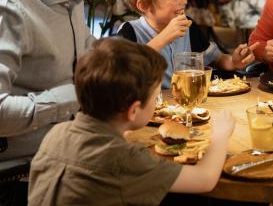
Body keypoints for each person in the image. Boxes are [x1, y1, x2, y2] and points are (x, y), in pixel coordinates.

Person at [0, 0, 147, 167]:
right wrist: (76, 95)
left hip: (71, 151)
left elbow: (75, 52)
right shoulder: (9, 3)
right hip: (23, 175)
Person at [28, 37, 235, 205]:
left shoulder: (56, 134)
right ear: (133, 110)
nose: (156, 103)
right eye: (155, 98)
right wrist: (220, 134)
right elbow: (205, 179)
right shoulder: (123, 158)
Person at [118, 0, 256, 88]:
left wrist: (234, 61)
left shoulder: (188, 26)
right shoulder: (130, 31)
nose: (183, 0)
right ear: (144, 6)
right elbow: (122, 73)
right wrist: (164, 37)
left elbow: (216, 59)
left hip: (187, 102)